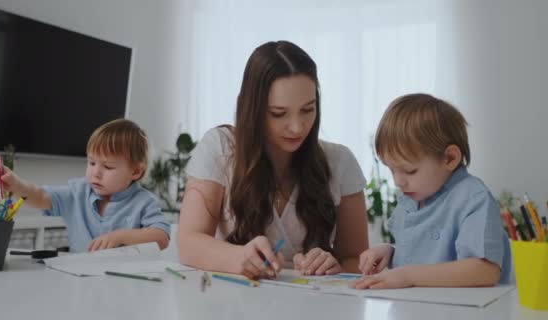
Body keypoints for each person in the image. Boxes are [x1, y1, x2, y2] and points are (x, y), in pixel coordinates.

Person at [177, 41, 369, 279]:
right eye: (279, 113)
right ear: (252, 108)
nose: (297, 127)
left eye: (308, 109)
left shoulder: (340, 162)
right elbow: (188, 243)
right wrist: (241, 258)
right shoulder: (220, 148)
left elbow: (358, 260)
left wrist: (334, 265)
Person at [352, 93, 511, 289]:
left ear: (450, 158)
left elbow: (484, 271)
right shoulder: (412, 198)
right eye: (391, 169)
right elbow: (424, 255)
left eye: (410, 171)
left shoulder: (473, 198)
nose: (398, 182)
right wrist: (391, 251)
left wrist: (407, 275)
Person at [0, 119, 170, 253]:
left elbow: (161, 237)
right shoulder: (78, 191)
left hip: (124, 284)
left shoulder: (144, 201)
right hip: (81, 281)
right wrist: (15, 183)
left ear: (136, 172)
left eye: (107, 166)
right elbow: (40, 196)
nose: (96, 172)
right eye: (91, 163)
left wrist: (120, 236)